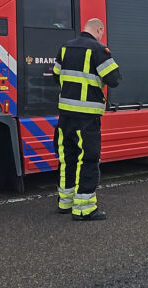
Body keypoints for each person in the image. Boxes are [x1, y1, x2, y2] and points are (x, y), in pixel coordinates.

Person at [52, 18, 121, 221]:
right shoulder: (98, 49)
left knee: (67, 158)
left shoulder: (65, 47)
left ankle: (65, 202)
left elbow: (56, 75)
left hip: (65, 115)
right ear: (99, 30)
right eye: (102, 32)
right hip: (87, 117)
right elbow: (114, 79)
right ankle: (84, 208)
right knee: (88, 158)